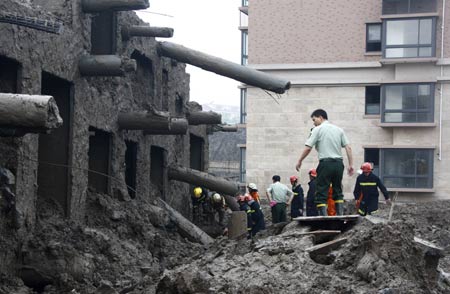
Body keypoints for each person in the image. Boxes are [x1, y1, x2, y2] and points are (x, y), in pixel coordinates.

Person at [295, 109, 354, 216]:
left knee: (321, 190)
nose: (314, 123)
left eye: (314, 120)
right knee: (337, 190)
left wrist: (300, 160)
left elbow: (308, 148)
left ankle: (323, 216)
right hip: (339, 164)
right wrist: (351, 165)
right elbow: (348, 148)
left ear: (321, 117)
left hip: (325, 163)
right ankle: (340, 215)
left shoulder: (317, 130)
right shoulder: (339, 130)